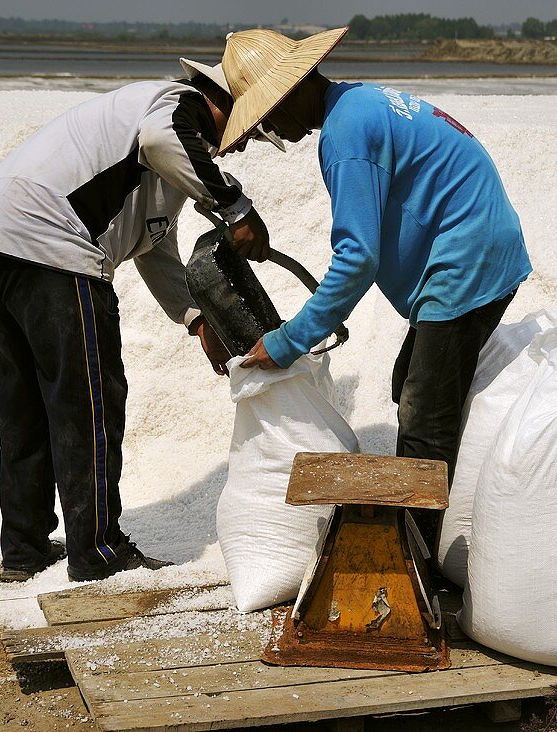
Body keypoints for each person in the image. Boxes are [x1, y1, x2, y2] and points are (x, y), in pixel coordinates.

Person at [0, 59, 275, 582]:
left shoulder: (148, 142)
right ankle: (98, 552)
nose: (240, 146)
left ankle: (25, 548)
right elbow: (163, 135)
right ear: (226, 103)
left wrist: (196, 320)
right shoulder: (176, 109)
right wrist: (237, 208)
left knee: (27, 405)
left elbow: (152, 243)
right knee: (92, 404)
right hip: (51, 248)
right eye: (247, 131)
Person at [221, 28, 533, 544]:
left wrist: (287, 341)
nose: (271, 128)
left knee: (424, 416)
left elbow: (357, 257)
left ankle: (415, 566)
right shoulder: (358, 101)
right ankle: (434, 529)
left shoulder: (344, 135)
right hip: (479, 244)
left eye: (268, 115)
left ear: (294, 89)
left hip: (466, 258)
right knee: (411, 382)